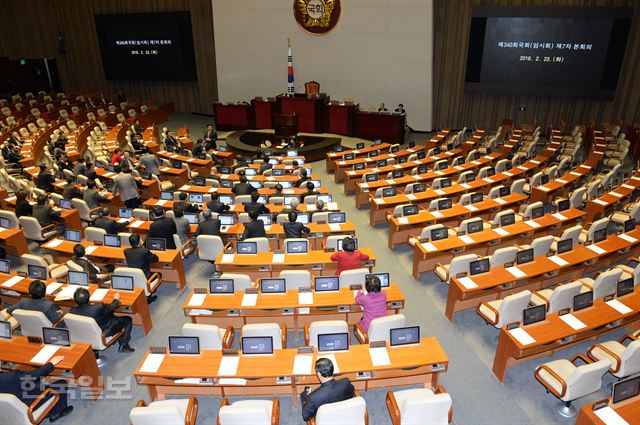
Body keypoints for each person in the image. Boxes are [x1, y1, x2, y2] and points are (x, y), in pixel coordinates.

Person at [0, 356, 73, 422]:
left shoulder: (7, 377)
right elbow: (35, 375)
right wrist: (52, 363)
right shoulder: (10, 377)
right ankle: (56, 413)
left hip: (9, 408)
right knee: (62, 384)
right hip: (31, 406)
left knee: (36, 383)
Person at [70, 288, 134, 353]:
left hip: (84, 334)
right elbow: (111, 308)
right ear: (89, 296)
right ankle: (124, 346)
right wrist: (116, 299)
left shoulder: (72, 311)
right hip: (103, 333)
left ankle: (119, 338)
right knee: (127, 319)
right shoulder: (98, 307)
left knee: (110, 316)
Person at [124, 234, 159, 304]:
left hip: (132, 276)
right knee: (159, 274)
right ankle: (149, 296)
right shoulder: (144, 251)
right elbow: (155, 259)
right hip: (145, 276)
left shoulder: (126, 251)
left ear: (130, 243)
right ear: (139, 241)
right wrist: (154, 254)